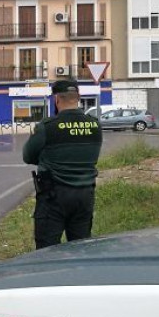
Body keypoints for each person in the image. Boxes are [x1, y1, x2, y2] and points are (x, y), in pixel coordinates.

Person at [22, 79, 103, 249]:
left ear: (56, 99)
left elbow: (28, 156)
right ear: (78, 98)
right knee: (81, 249)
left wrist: (48, 158)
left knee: (47, 251)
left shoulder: (47, 127)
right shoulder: (95, 125)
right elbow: (90, 156)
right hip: (85, 196)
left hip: (54, 196)